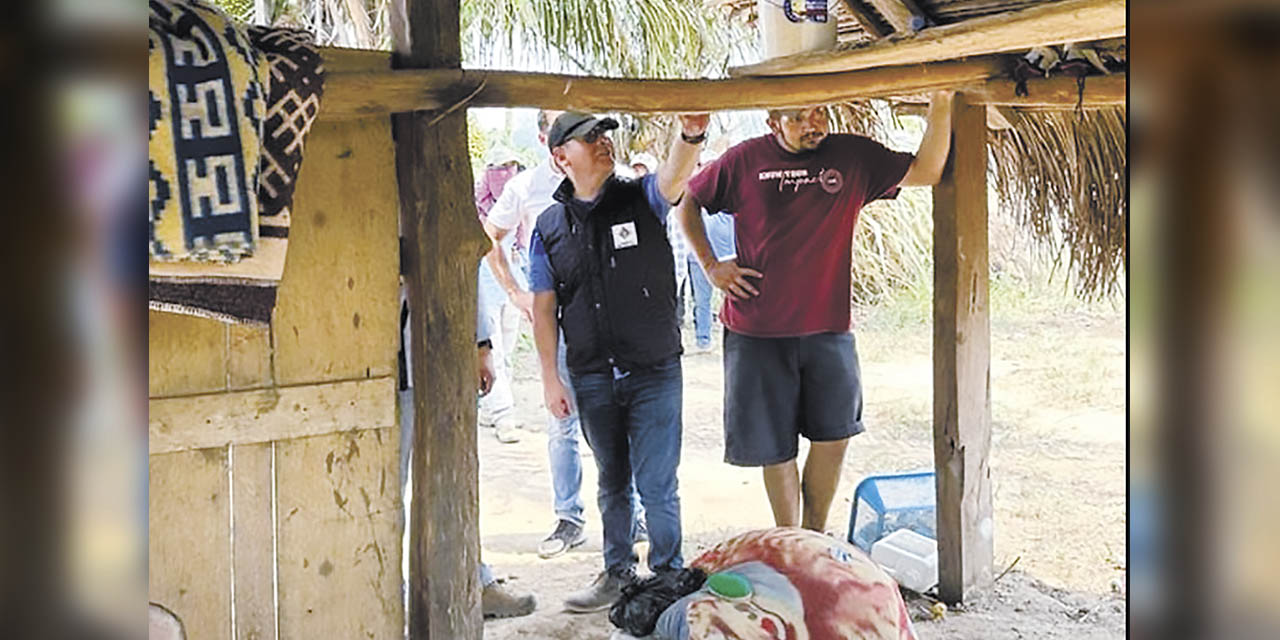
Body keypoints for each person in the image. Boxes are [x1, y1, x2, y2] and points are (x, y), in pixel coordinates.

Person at [675, 93, 955, 533]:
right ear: (773, 122)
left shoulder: (853, 156)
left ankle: (815, 534)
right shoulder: (744, 160)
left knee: (835, 433)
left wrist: (943, 102)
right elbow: (688, 200)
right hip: (757, 330)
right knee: (774, 446)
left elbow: (928, 170)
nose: (813, 124)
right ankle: (791, 539)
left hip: (829, 327)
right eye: (798, 117)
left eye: (818, 113)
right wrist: (711, 265)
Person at [529, 110, 709, 612]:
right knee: (612, 481)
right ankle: (617, 573)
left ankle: (669, 576)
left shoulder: (642, 196)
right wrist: (550, 379)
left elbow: (675, 178)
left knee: (657, 482)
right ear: (561, 156)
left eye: (605, 134)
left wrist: (690, 134)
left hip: (653, 369)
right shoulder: (548, 227)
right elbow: (545, 309)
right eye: (589, 137)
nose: (604, 142)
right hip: (590, 377)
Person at [482, 110, 646, 559]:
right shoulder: (523, 187)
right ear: (545, 140)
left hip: (614, 326)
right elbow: (489, 236)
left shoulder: (619, 180)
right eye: (563, 128)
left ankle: (634, 517)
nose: (587, 138)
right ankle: (568, 518)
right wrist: (517, 292)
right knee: (563, 425)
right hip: (561, 327)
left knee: (622, 419)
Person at [397, 266, 537, 619]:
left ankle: (472, 581)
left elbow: (463, 264)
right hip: (376, 369)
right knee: (386, 495)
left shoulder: (443, 209)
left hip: (441, 357)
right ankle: (389, 592)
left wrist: (482, 344)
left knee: (452, 484)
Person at [683, 207, 735, 352]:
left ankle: (704, 339)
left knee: (702, 301)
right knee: (708, 300)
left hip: (707, 259)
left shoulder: (695, 208)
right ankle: (706, 339)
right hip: (717, 259)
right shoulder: (729, 211)